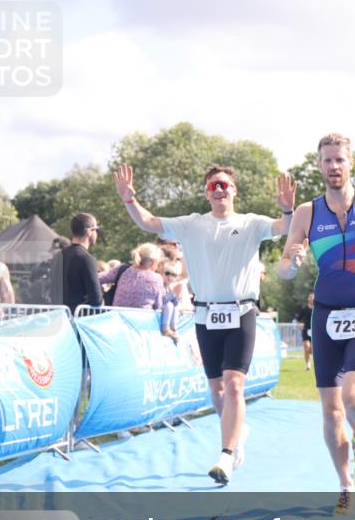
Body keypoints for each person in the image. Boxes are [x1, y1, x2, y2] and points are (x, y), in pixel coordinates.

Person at [114, 163, 295, 485]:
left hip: (241, 312)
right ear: (206, 192)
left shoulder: (251, 223)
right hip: (205, 314)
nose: (220, 189)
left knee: (235, 383)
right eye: (213, 185)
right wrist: (129, 199)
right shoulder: (191, 225)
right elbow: (148, 222)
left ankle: (226, 455)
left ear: (234, 190)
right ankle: (237, 433)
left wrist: (288, 209)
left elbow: (284, 227)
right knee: (217, 388)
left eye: (225, 184)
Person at [277, 133, 355, 515]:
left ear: (351, 163)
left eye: (339, 160)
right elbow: (283, 269)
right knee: (331, 411)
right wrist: (293, 263)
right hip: (326, 315)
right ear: (319, 165)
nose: (334, 167)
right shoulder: (306, 214)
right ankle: (346, 485)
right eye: (327, 161)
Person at [51, 213, 104, 313]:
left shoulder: (58, 256)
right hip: (79, 320)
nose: (97, 233)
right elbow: (96, 300)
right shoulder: (87, 259)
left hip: (60, 318)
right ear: (89, 232)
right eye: (96, 229)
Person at [100, 243, 165, 309]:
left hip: (117, 316)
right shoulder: (157, 279)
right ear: (153, 262)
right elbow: (158, 306)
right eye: (158, 262)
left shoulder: (122, 269)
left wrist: (98, 296)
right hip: (142, 318)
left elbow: (97, 278)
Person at [295, 292, 314, 371]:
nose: (312, 298)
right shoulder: (304, 309)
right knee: (307, 347)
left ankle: (315, 362)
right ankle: (308, 365)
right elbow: (298, 319)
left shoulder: (319, 309)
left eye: (313, 297)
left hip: (316, 331)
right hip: (306, 330)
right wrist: (299, 324)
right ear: (308, 299)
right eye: (310, 297)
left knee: (313, 349)